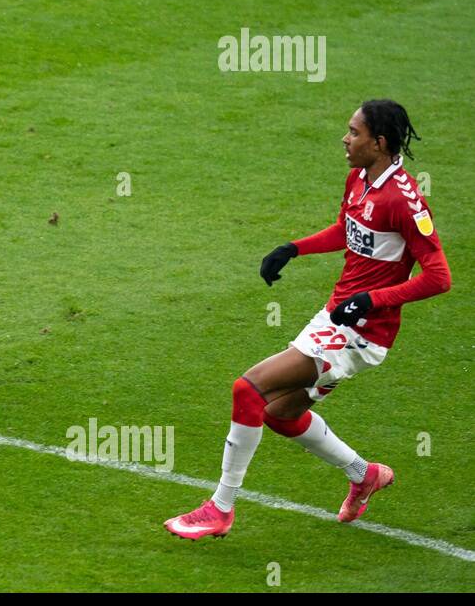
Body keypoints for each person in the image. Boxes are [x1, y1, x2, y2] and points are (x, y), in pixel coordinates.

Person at [164, 100, 450, 539]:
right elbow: (345, 230)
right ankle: (364, 474)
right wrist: (293, 248)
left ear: (380, 142)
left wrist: (372, 300)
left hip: (360, 332)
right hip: (336, 318)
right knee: (279, 415)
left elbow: (438, 277)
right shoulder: (359, 179)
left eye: (354, 133)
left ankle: (220, 509)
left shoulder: (404, 202)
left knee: (248, 389)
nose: (345, 139)